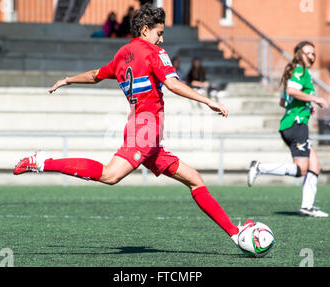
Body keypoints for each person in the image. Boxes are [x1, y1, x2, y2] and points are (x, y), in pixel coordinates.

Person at [14, 4, 255, 250]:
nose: (161, 39)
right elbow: (172, 84)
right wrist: (206, 100)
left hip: (145, 133)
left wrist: (66, 80)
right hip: (145, 131)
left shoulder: (123, 54)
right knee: (110, 175)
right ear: (145, 30)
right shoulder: (155, 53)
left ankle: (236, 234)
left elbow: (96, 75)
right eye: (159, 33)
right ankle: (43, 161)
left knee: (195, 179)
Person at [247, 41, 330, 217]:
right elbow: (292, 91)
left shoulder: (296, 72)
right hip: (296, 124)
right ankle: (260, 167)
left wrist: (306, 105)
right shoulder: (300, 70)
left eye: (314, 53)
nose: (312, 56)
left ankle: (307, 207)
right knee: (301, 169)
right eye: (308, 52)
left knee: (314, 166)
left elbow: (283, 101)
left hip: (294, 123)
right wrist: (315, 100)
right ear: (300, 54)